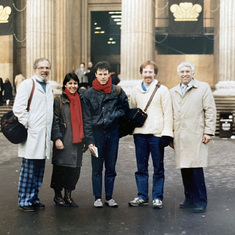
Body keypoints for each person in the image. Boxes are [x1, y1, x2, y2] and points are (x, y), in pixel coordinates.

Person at [170, 62, 216, 213]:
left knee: (196, 169)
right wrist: (170, 135)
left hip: (196, 134)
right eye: (182, 71)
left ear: (192, 73)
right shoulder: (173, 91)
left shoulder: (203, 88)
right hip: (181, 136)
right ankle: (189, 199)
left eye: (187, 71)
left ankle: (200, 200)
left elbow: (210, 110)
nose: (184, 74)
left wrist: (208, 131)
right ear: (179, 74)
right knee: (185, 169)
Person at [83, 61, 129, 208]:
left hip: (112, 134)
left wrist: (113, 115)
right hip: (97, 135)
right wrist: (89, 140)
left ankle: (109, 197)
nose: (103, 77)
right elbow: (87, 119)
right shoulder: (88, 94)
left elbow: (125, 110)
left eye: (105, 74)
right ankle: (97, 197)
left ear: (110, 74)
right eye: (100, 74)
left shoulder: (117, 91)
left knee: (111, 167)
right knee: (96, 168)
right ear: (95, 74)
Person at [128, 60, 173, 209]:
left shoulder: (163, 90)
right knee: (141, 167)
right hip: (140, 134)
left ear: (155, 73)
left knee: (158, 167)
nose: (148, 74)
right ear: (141, 73)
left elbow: (168, 113)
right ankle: (142, 196)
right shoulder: (135, 90)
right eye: (145, 72)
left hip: (157, 135)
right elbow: (132, 110)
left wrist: (167, 134)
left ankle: (157, 197)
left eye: (150, 72)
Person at [13, 58, 54, 212]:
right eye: (41, 67)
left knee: (39, 170)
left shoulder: (48, 86)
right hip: (32, 134)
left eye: (47, 68)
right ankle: (24, 200)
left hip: (43, 135)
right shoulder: (27, 85)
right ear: (35, 69)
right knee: (28, 170)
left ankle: (34, 197)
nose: (45, 70)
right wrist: (30, 124)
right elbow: (19, 109)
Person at [50, 73, 86, 207]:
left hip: (77, 142)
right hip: (64, 140)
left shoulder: (81, 100)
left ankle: (68, 195)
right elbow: (55, 121)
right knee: (60, 169)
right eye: (70, 83)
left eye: (75, 83)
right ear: (65, 85)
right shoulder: (59, 100)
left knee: (74, 170)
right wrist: (57, 138)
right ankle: (58, 195)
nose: (73, 86)